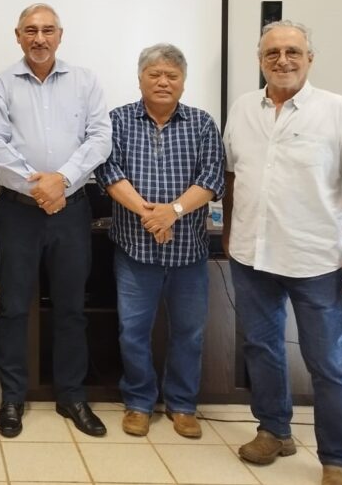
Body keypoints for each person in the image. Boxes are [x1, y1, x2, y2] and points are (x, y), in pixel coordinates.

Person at [223, 20, 342, 485]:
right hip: (252, 256)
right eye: (272, 53)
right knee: (261, 347)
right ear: (260, 61)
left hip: (315, 259)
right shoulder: (242, 109)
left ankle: (338, 459)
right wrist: (233, 234)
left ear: (310, 58)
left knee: (328, 362)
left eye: (293, 51)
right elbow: (235, 176)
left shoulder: (339, 111)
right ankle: (274, 430)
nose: (282, 60)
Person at [0, 3, 112, 438]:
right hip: (18, 210)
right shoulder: (0, 85)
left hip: (72, 210)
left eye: (47, 30)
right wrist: (41, 187)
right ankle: (13, 398)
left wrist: (63, 180)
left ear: (60, 35)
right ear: (17, 36)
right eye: (30, 31)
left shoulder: (85, 82)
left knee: (72, 308)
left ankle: (71, 396)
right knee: (14, 307)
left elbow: (99, 137)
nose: (39, 38)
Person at [94, 43, 225, 439]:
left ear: (183, 82)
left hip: (189, 253)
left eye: (172, 75)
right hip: (135, 250)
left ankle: (183, 405)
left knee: (189, 332)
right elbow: (108, 172)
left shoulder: (202, 123)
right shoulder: (116, 121)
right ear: (140, 80)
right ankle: (138, 402)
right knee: (133, 331)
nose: (163, 81)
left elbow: (212, 178)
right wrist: (151, 215)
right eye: (155, 74)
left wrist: (174, 212)